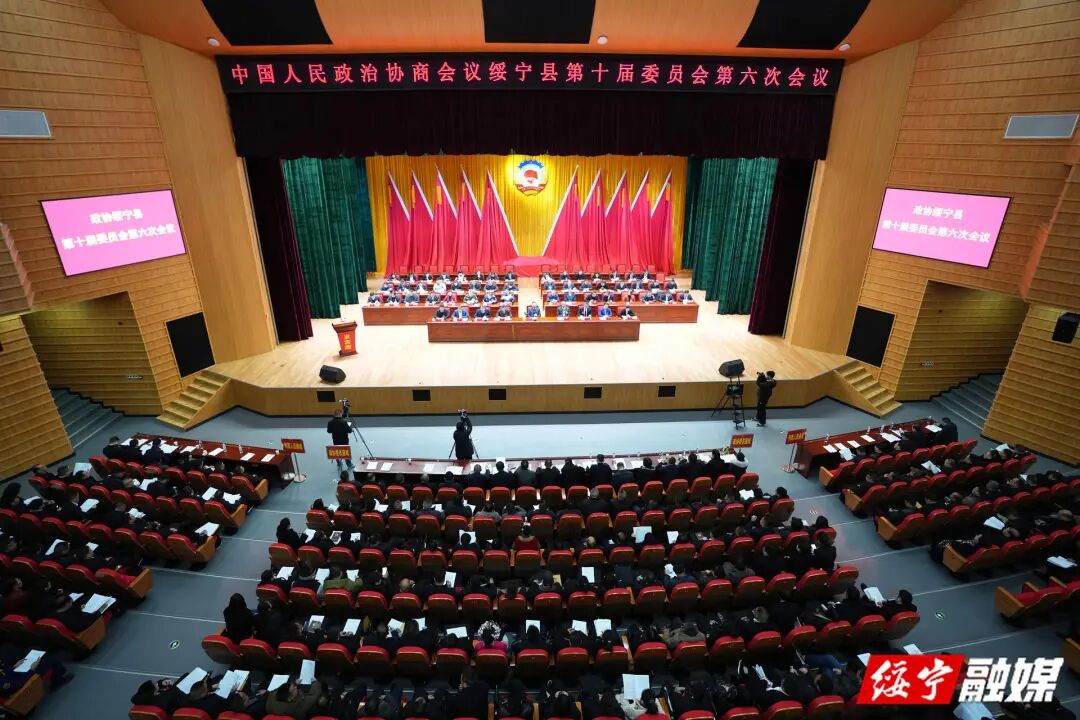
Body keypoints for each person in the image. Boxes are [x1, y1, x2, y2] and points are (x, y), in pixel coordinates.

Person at [326, 409, 354, 474]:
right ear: (340, 414)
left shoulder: (330, 422)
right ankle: (349, 464)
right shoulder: (344, 422)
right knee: (346, 452)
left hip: (336, 440)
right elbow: (350, 431)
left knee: (337, 451)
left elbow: (329, 431)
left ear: (334, 414)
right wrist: (349, 426)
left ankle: (339, 463)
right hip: (344, 440)